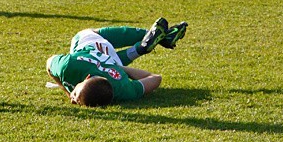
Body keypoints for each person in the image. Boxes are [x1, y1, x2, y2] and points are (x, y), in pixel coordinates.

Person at [46, 17, 188, 107]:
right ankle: (151, 38)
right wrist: (120, 69)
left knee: (92, 36)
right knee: (97, 42)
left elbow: (155, 78)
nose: (72, 99)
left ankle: (140, 48)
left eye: (75, 96)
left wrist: (66, 90)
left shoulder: (68, 66)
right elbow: (156, 78)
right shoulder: (122, 89)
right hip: (100, 50)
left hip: (102, 53)